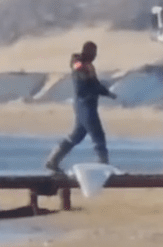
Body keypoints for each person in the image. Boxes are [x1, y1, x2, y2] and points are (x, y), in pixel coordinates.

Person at [44, 41, 118, 172]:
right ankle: (104, 163)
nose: (95, 55)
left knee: (76, 135)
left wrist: (107, 93)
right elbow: (88, 84)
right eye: (93, 52)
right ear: (87, 52)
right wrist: (102, 91)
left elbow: (94, 84)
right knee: (98, 134)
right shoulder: (79, 65)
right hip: (85, 104)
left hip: (85, 105)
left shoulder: (88, 66)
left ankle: (53, 160)